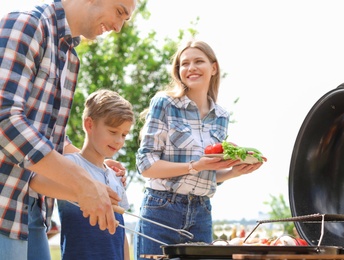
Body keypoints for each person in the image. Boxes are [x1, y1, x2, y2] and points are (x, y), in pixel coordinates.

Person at [0, 0, 136, 259]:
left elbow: (50, 137)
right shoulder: (27, 24)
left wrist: (94, 169)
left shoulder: (70, 59)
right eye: (119, 11)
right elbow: (5, 119)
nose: (118, 27)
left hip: (31, 212)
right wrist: (82, 181)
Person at [134, 39, 265, 258]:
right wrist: (195, 165)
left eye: (198, 61)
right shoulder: (164, 104)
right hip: (161, 210)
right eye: (184, 64)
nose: (190, 68)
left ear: (213, 68)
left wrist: (233, 172)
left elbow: (208, 174)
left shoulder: (221, 116)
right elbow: (146, 166)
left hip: (201, 212)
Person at [52, 89, 134, 260]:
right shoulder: (69, 166)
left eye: (124, 135)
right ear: (89, 125)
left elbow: (121, 232)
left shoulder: (115, 177)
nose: (119, 140)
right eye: (113, 132)